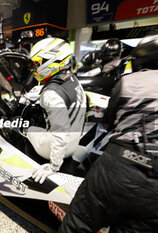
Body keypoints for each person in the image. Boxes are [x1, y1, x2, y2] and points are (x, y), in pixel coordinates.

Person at [59, 32, 158, 233]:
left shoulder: (130, 80)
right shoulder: (93, 59)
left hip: (117, 166)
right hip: (154, 188)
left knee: (77, 225)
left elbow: (109, 121)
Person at [26, 38, 87, 184]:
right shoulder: (72, 79)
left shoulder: (51, 94)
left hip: (59, 150)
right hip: (75, 141)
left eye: (36, 64)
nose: (34, 68)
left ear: (51, 62)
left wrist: (53, 166)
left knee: (28, 129)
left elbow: (60, 131)